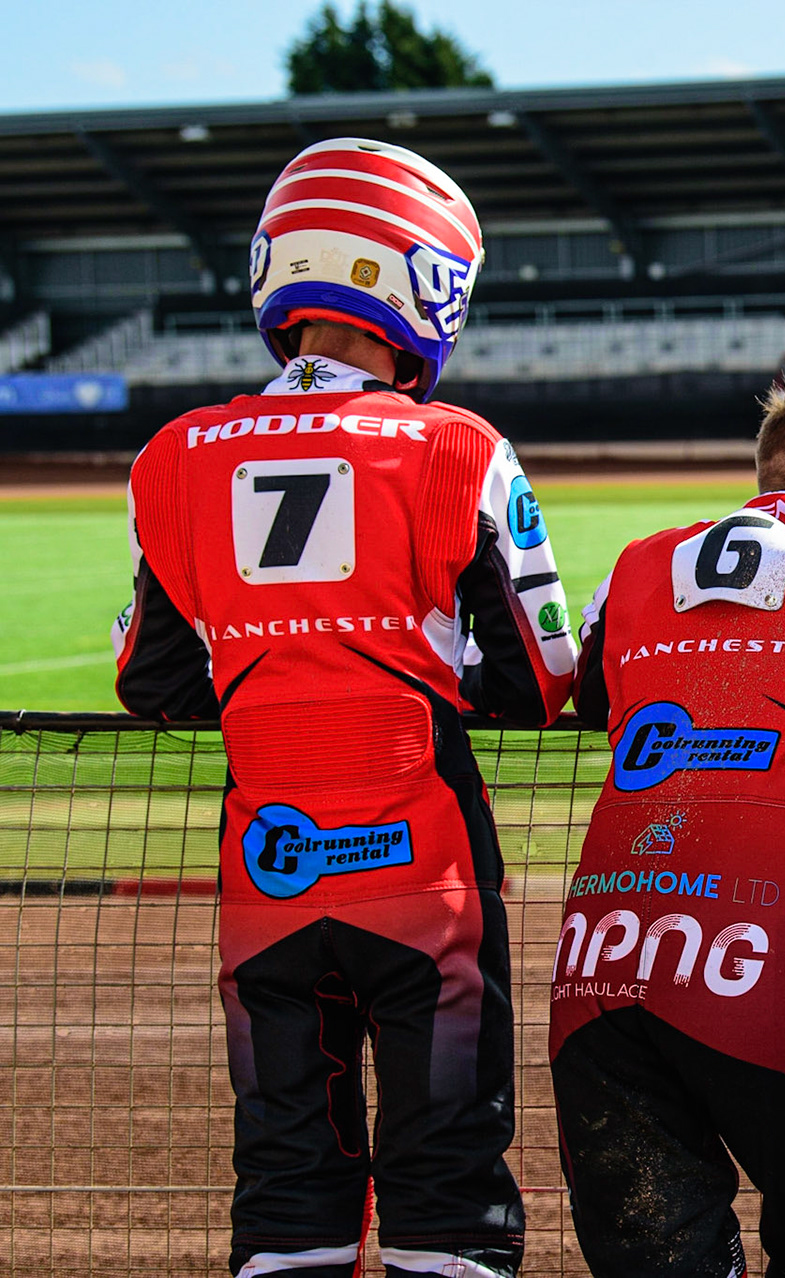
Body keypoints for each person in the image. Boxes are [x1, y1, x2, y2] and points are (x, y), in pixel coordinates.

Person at [112, 138, 575, 1278]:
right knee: (449, 1172)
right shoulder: (460, 447)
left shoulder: (172, 457)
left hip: (266, 865)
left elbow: (154, 686)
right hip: (426, 867)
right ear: (427, 282)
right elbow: (539, 678)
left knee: (285, 1177)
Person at [551, 374, 785, 1278]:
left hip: (597, 966)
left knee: (657, 1259)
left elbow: (596, 692)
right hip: (753, 965)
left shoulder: (641, 559)